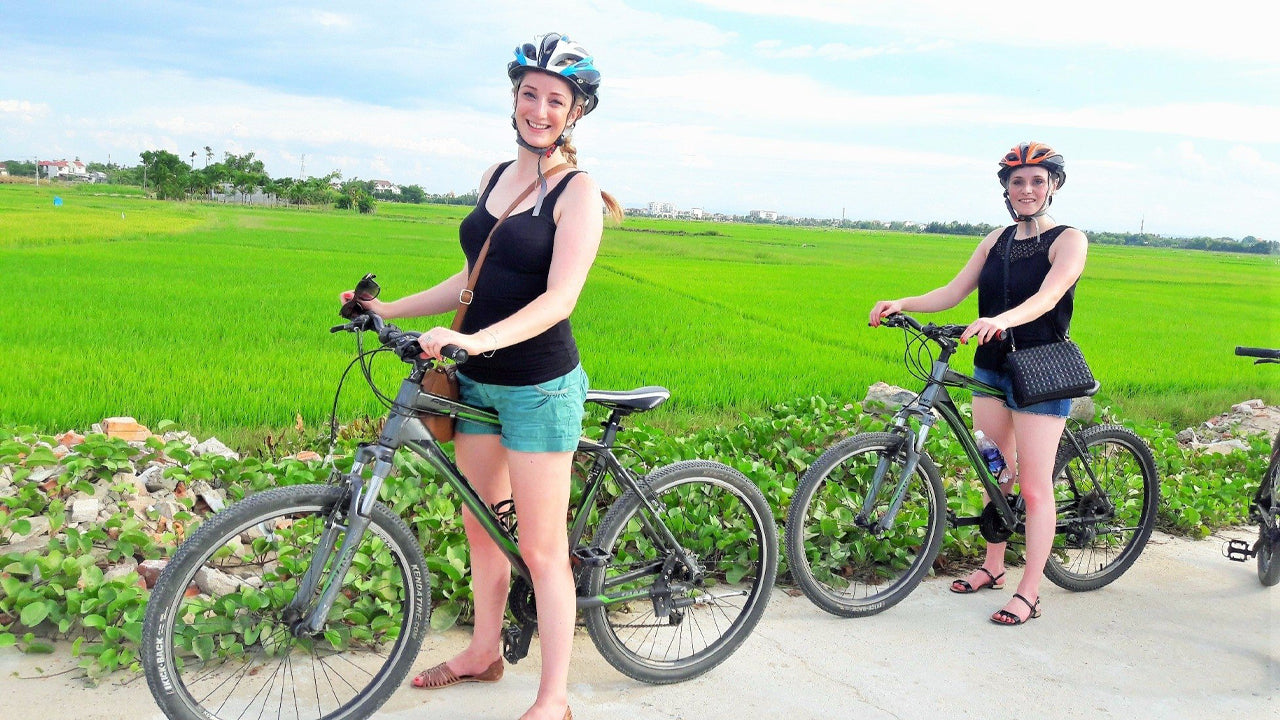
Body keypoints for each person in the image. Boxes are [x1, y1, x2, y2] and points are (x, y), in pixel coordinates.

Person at [343, 32, 621, 720]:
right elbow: (474, 277)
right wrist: (386, 310)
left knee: (540, 545)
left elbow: (559, 299)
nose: (539, 108)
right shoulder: (497, 175)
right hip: (477, 383)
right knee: (479, 525)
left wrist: (471, 341)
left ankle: (553, 698)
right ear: (515, 98)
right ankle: (483, 652)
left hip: (539, 388)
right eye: (530, 94)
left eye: (555, 99)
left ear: (576, 112)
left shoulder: (578, 193)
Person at [869, 142, 1088, 626]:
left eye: (1037, 180)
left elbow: (1050, 298)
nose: (1026, 189)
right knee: (996, 472)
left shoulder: (1070, 240)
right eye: (1017, 181)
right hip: (991, 371)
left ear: (1053, 185)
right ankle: (993, 566)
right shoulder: (996, 239)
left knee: (1033, 488)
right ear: (1006, 190)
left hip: (1041, 374)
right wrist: (901, 302)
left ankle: (1030, 591)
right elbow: (953, 291)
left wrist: (1001, 319)